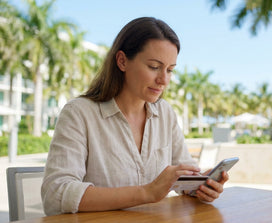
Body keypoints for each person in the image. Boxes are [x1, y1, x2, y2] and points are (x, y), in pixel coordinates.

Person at [41, 17, 229, 216]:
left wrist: (200, 184)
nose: (163, 80)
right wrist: (147, 192)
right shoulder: (79, 113)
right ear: (122, 61)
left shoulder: (165, 113)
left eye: (170, 70)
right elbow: (56, 194)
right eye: (154, 67)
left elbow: (184, 175)